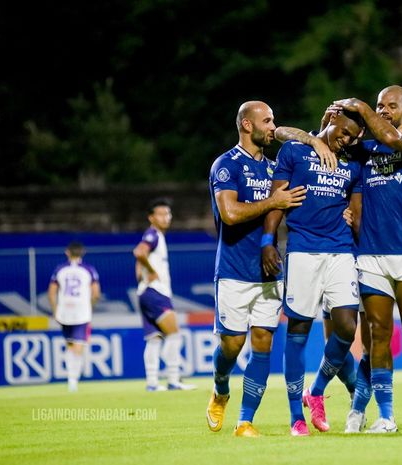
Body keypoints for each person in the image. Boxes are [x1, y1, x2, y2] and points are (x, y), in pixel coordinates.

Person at [206, 100, 333, 438]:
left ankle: (245, 421)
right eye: (266, 120)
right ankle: (220, 389)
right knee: (232, 346)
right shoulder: (226, 165)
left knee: (262, 342)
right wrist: (272, 202)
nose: (272, 126)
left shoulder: (277, 167)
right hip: (233, 269)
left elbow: (306, 203)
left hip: (269, 271)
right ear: (247, 125)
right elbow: (230, 214)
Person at [333, 85, 402, 433]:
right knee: (378, 335)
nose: (384, 110)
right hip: (371, 255)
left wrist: (362, 108)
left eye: (391, 106)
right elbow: (333, 147)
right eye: (380, 105)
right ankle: (386, 415)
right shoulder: (365, 150)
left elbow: (394, 140)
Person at [262, 109, 365, 436]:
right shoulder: (295, 150)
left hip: (340, 250)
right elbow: (277, 200)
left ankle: (316, 390)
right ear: (330, 117)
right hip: (303, 249)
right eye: (344, 131)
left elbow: (359, 209)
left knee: (347, 327)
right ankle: (296, 416)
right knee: (299, 330)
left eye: (352, 137)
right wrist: (268, 241)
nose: (345, 139)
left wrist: (354, 218)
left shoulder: (353, 162)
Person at [133, 198, 196, 392]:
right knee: (174, 335)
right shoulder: (153, 234)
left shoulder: (154, 235)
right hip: (156, 292)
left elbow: (139, 261)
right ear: (151, 217)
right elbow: (139, 252)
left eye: (168, 214)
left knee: (154, 339)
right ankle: (173, 379)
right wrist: (151, 272)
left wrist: (143, 276)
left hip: (145, 292)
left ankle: (152, 383)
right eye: (161, 214)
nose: (166, 217)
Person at [48, 241, 101, 392]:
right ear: (82, 253)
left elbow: (51, 292)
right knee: (79, 345)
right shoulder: (88, 270)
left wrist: (55, 309)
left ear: (67, 252)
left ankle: (71, 378)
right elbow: (96, 293)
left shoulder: (60, 269)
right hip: (81, 311)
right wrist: (89, 306)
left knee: (69, 344)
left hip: (64, 311)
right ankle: (73, 380)